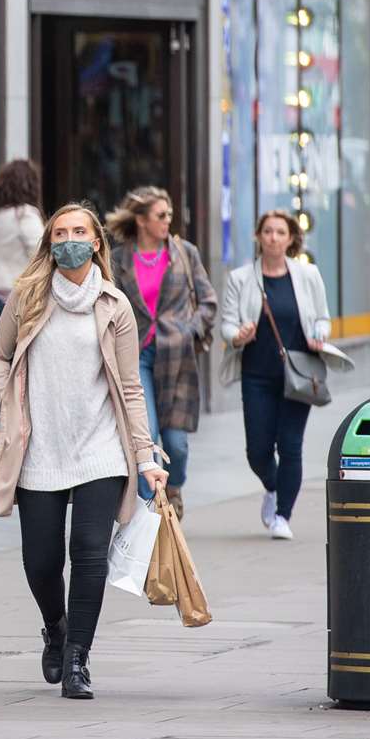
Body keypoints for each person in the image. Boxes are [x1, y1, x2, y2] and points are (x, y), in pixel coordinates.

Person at [0, 203, 165, 701]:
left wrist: (146, 457)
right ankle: (56, 628)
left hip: (100, 450)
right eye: (60, 232)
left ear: (96, 242)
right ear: (49, 243)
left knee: (88, 555)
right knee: (40, 562)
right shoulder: (26, 297)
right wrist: (10, 402)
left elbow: (130, 387)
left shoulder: (114, 305)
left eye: (78, 232)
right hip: (40, 450)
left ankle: (78, 659)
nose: (69, 239)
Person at [219, 210, 352, 538]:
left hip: (300, 373)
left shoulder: (308, 275)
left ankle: (282, 516)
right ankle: (273, 486)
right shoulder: (240, 278)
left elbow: (322, 317)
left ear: (291, 238)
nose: (274, 238)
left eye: (280, 232)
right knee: (258, 450)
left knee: (291, 445)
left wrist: (318, 333)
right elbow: (227, 323)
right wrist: (238, 334)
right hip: (257, 374)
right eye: (267, 231)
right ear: (258, 236)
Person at [106, 186, 217, 519]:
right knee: (146, 438)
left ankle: (175, 486)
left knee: (177, 445)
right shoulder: (118, 259)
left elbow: (208, 301)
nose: (168, 220)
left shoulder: (185, 253)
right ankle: (151, 513)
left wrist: (191, 329)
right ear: (141, 220)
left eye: (169, 214)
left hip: (177, 358)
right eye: (161, 215)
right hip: (136, 355)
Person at [0, 160, 44, 456]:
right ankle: (18, 427)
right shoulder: (23, 215)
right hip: (17, 298)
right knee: (23, 362)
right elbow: (43, 251)